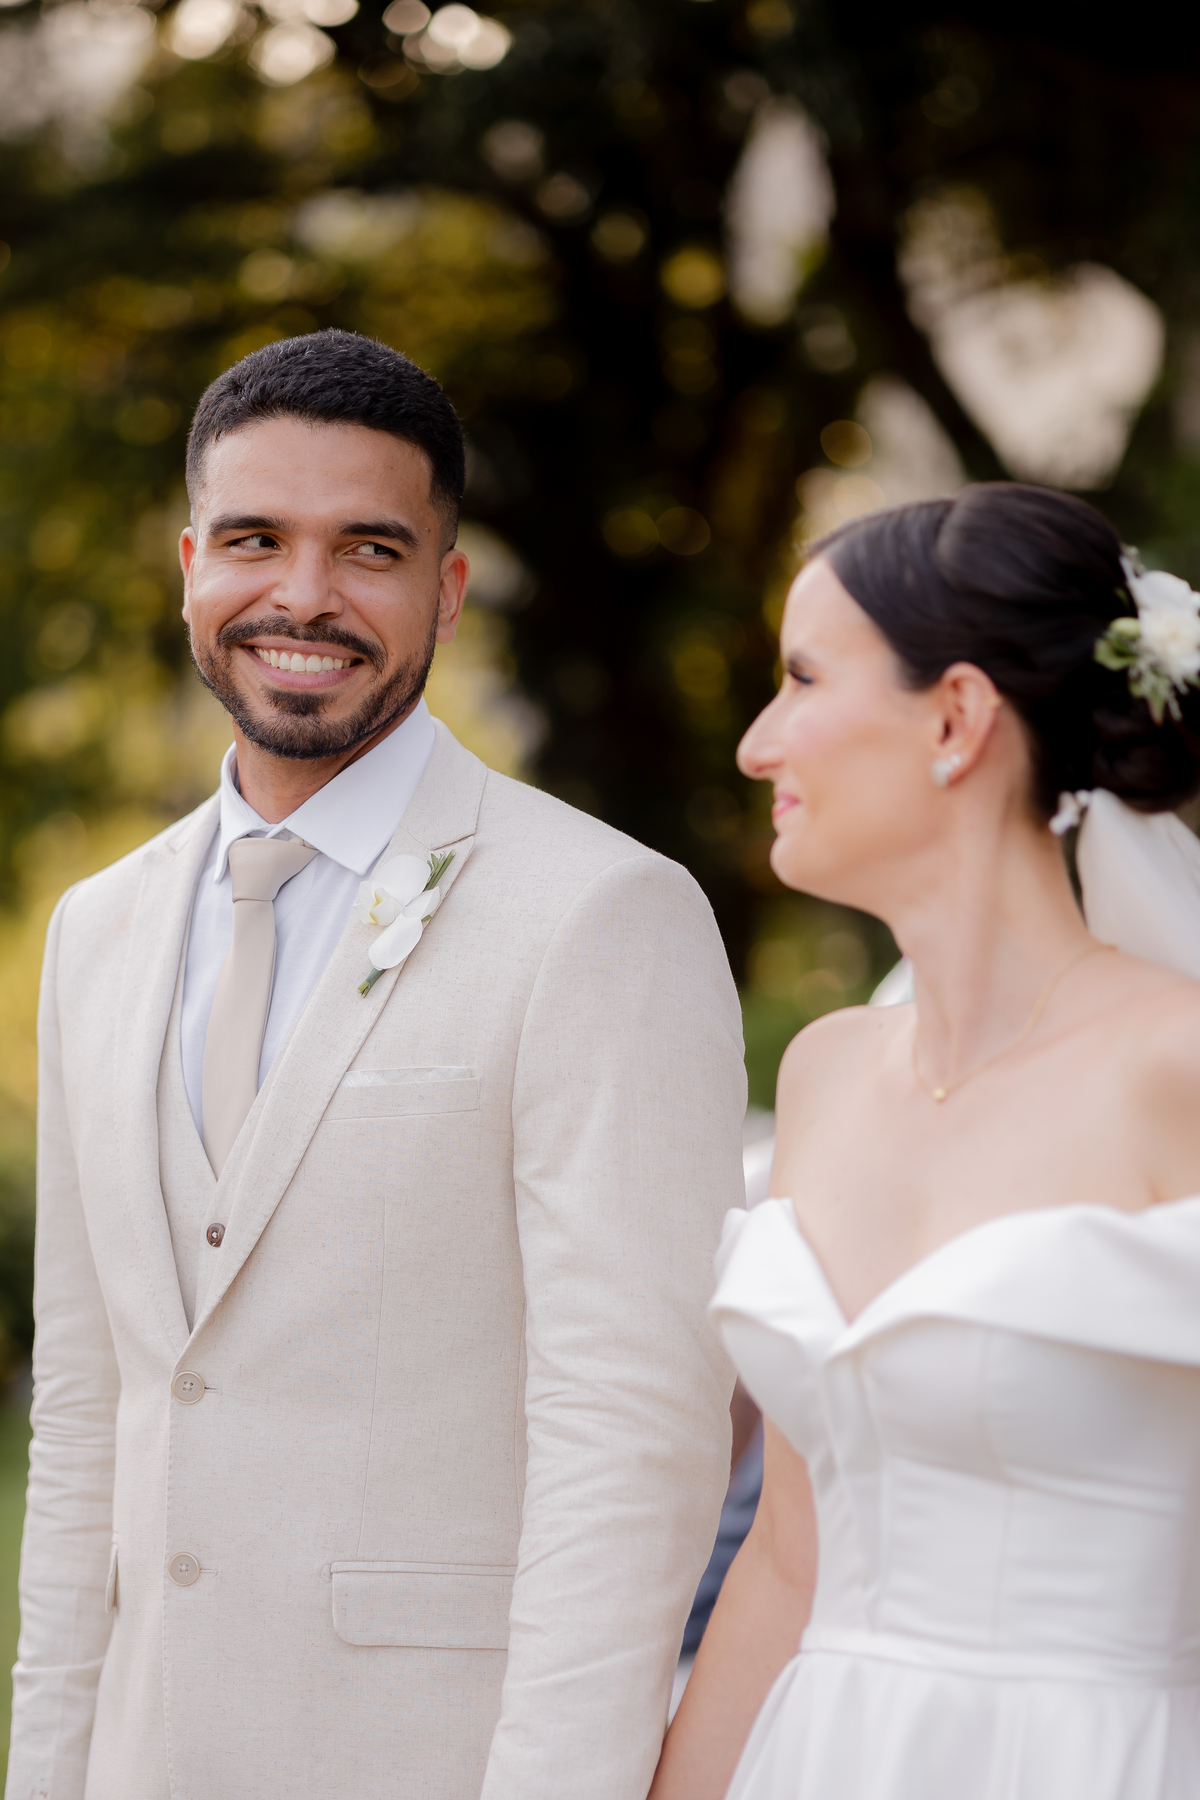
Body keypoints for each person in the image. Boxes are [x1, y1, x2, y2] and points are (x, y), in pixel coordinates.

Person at [7, 329, 746, 1800]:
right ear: (189, 567)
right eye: (254, 540)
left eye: (369, 549)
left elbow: (633, 1436)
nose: (303, 595)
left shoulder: (603, 912)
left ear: (447, 591)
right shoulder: (97, 929)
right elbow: (86, 1418)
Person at [650, 483, 1200, 1800]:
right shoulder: (826, 1074)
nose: (756, 745)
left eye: (800, 679)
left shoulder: (1176, 1069)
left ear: (955, 717)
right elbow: (789, 1560)